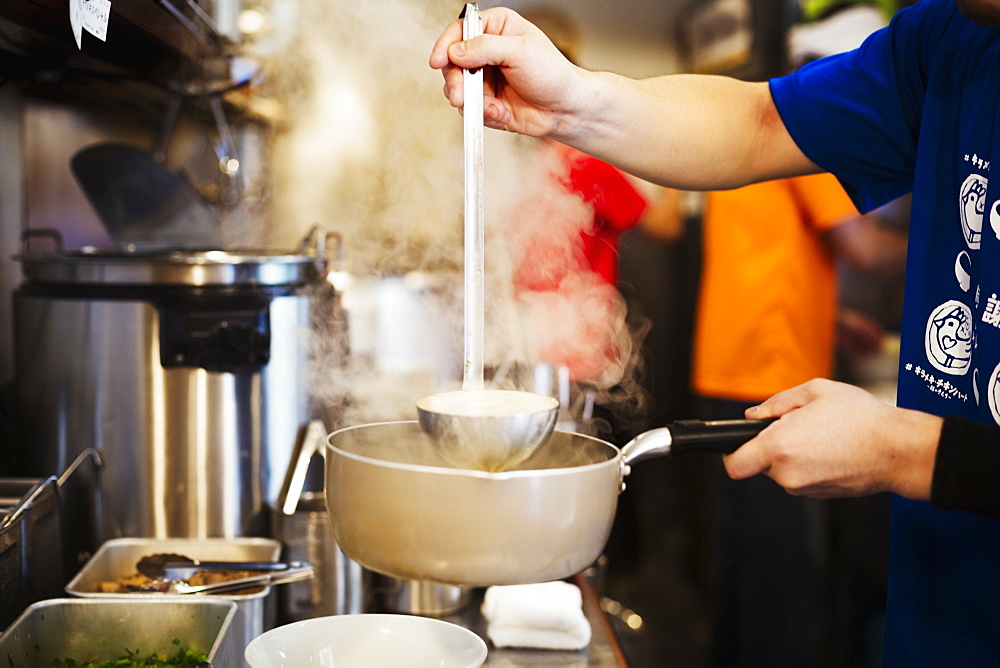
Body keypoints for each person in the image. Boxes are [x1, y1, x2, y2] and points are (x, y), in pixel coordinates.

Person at [430, 1, 1000, 664]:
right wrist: (568, 102)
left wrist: (907, 450)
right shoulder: (950, 39)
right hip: (940, 615)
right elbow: (759, 123)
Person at [695, 173, 907, 667]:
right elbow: (866, 248)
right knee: (783, 577)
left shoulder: (757, 124)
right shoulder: (806, 143)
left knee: (743, 564)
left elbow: (767, 250)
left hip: (731, 363)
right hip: (771, 373)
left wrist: (830, 319)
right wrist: (960, 239)